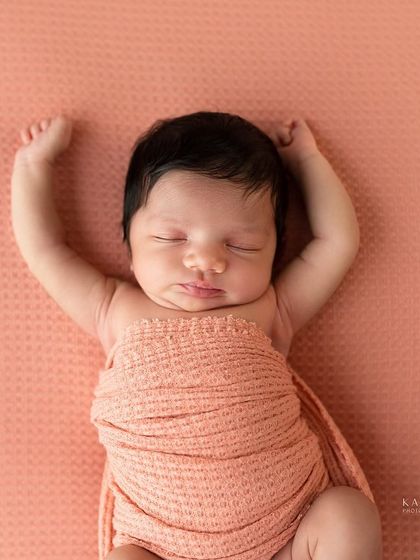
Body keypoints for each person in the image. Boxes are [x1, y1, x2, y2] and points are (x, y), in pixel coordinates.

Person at [11, 112, 383, 560]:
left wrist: (307, 162)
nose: (205, 260)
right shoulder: (111, 309)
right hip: (163, 546)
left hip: (287, 533)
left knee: (348, 515)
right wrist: (34, 166)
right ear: (129, 244)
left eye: (241, 245)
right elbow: (45, 248)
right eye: (172, 237)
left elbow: (336, 242)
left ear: (274, 255)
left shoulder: (270, 312)